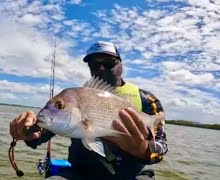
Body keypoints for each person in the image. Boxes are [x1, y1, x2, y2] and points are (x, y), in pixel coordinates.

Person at [9, 41, 168, 180]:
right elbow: (42, 133)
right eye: (93, 64)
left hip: (130, 177)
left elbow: (160, 149)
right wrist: (29, 132)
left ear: (121, 64)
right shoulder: (75, 98)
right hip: (79, 174)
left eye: (108, 63)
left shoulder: (147, 100)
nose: (100, 68)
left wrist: (142, 150)